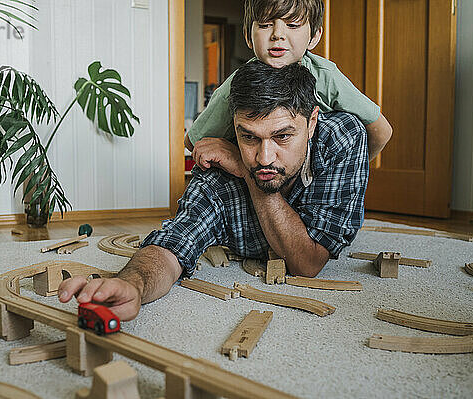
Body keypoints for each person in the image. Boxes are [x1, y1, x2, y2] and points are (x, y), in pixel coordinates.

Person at [59, 61, 369, 321]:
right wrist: (133, 284)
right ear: (234, 127)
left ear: (312, 123)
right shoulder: (216, 176)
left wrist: (250, 178)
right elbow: (171, 247)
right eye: (248, 138)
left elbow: (308, 264)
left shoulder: (343, 139)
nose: (264, 158)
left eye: (283, 137)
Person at [186, 0, 392, 167]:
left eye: (292, 25)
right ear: (248, 36)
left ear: (314, 36)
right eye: (266, 25)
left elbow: (381, 131)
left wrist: (348, 167)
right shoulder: (236, 86)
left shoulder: (327, 77)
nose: (278, 34)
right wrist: (238, 157)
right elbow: (193, 142)